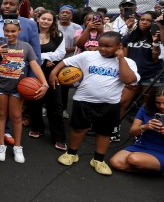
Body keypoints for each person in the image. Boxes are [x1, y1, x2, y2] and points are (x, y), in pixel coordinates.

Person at [51, 32, 140, 176]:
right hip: (83, 99)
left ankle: (98, 159)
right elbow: (66, 62)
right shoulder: (88, 56)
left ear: (119, 46)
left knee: (104, 132)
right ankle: (72, 153)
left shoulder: (129, 63)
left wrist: (121, 58)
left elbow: (128, 80)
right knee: (79, 129)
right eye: (100, 45)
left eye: (107, 46)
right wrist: (53, 73)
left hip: (109, 103)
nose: (102, 49)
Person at [0, 14, 49, 163]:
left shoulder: (25, 47)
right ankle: (1, 145)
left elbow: (34, 65)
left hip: (18, 88)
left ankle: (18, 147)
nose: (10, 34)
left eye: (13, 31)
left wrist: (44, 83)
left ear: (19, 31)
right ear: (3, 30)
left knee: (17, 117)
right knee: (0, 114)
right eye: (7, 31)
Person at [0, 0, 42, 145]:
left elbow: (35, 56)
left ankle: (8, 134)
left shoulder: (29, 24)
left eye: (11, 4)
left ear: (17, 6)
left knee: (15, 113)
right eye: (4, 3)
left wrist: (33, 78)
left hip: (19, 76)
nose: (7, 6)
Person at [26, 10, 67, 150]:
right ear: (38, 19)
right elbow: (27, 50)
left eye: (49, 19)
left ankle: (59, 137)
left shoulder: (58, 35)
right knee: (34, 99)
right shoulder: (31, 33)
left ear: (53, 21)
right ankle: (37, 127)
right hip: (33, 70)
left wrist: (45, 58)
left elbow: (61, 53)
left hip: (52, 72)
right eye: (43, 18)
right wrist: (45, 58)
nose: (45, 21)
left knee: (55, 104)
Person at [120, 11, 164, 117]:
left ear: (154, 23)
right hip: (133, 75)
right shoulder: (130, 36)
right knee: (122, 103)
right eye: (142, 19)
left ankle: (141, 130)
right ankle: (115, 129)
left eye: (149, 20)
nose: (144, 22)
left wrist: (155, 42)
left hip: (151, 76)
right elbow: (125, 58)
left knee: (147, 106)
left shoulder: (159, 38)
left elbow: (156, 59)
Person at [110, 88, 164, 174]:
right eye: (158, 102)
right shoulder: (146, 108)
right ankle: (156, 170)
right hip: (143, 144)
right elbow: (132, 132)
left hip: (162, 150)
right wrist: (145, 127)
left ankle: (155, 166)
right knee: (115, 162)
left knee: (133, 159)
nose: (161, 106)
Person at [57, 5, 82, 118]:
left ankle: (63, 109)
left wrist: (70, 49)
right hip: (54, 58)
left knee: (64, 85)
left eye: (68, 12)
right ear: (59, 14)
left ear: (71, 16)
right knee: (50, 83)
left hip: (69, 59)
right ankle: (45, 107)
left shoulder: (77, 27)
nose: (65, 14)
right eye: (63, 12)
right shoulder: (54, 25)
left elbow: (80, 44)